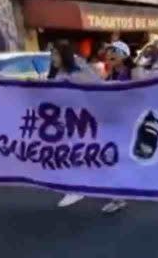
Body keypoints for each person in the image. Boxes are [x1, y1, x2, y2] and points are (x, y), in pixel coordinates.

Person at [50, 40, 103, 208]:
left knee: (79, 152)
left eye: (56, 54)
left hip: (80, 119)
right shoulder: (55, 74)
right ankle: (76, 187)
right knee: (69, 153)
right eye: (52, 54)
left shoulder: (78, 71)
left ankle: (79, 188)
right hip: (61, 119)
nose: (53, 57)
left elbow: (95, 84)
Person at [99, 40, 137, 214]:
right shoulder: (109, 75)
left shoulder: (133, 72)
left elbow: (141, 93)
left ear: (125, 55)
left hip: (130, 122)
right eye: (108, 51)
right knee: (112, 157)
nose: (110, 54)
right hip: (114, 122)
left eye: (115, 51)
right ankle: (118, 196)